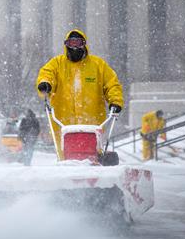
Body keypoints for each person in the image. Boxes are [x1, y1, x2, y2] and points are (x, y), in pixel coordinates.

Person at [36, 29, 124, 161]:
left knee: (93, 154)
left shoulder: (98, 65)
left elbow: (111, 84)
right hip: (64, 122)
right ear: (66, 44)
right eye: (72, 43)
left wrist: (115, 101)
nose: (75, 46)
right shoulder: (57, 64)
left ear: (84, 44)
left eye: (78, 43)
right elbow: (47, 73)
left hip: (93, 122)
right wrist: (45, 84)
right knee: (66, 154)